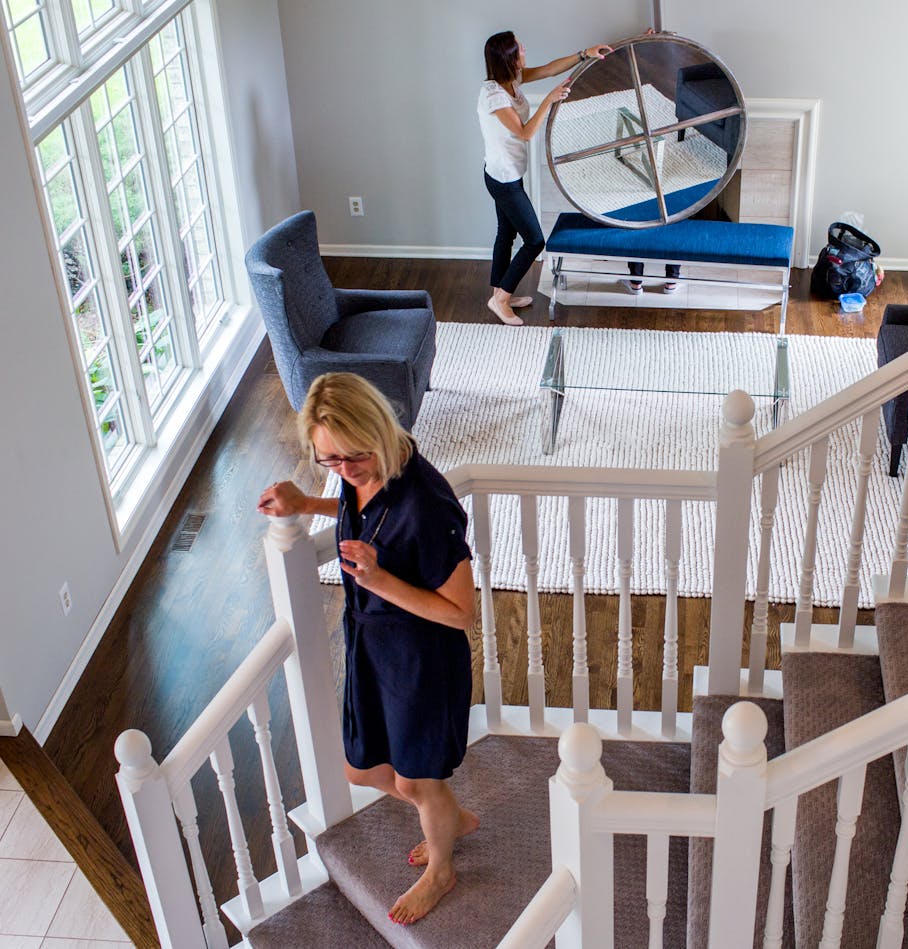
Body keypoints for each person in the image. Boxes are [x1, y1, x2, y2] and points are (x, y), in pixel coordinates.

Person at [256, 372, 477, 926]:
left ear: (378, 431)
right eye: (328, 460)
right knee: (363, 771)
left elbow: (461, 613)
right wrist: (308, 501)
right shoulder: (359, 475)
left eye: (352, 457)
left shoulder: (427, 504)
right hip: (372, 648)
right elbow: (359, 509)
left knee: (415, 779)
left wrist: (379, 582)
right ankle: (445, 815)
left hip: (422, 659)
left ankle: (442, 866)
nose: (345, 471)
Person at [479, 31, 613, 325]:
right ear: (509, 58)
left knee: (506, 234)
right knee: (534, 240)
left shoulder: (512, 80)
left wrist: (584, 53)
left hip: (506, 175)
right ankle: (500, 300)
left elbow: (550, 68)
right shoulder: (494, 97)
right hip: (503, 180)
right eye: (520, 48)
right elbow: (525, 133)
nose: (525, 49)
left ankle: (501, 291)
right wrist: (549, 100)